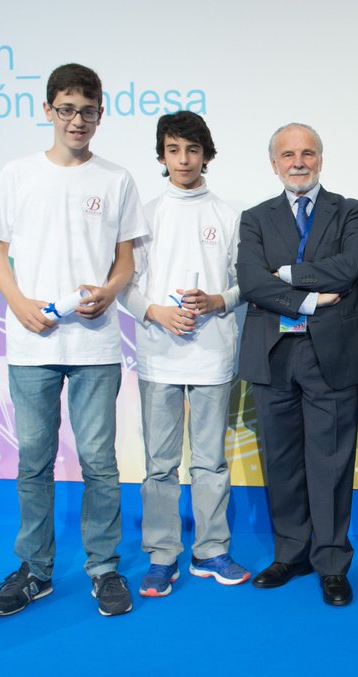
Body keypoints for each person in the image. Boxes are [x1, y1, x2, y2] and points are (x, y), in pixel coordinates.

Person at [0, 63, 148, 617]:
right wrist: (18, 302)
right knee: (34, 460)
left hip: (96, 345)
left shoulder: (117, 178)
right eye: (68, 109)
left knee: (100, 462)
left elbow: (126, 259)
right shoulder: (17, 173)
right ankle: (35, 569)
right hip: (32, 344)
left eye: (89, 110)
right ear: (49, 109)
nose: (78, 120)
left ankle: (104, 569)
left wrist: (111, 290)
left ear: (102, 114)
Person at [237, 123, 358, 607]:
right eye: (288, 154)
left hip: (333, 354)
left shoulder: (352, 211)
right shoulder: (254, 218)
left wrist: (289, 275)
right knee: (283, 460)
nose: (299, 162)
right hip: (273, 352)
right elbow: (251, 281)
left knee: (331, 463)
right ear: (274, 163)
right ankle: (290, 553)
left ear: (321, 159)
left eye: (308, 153)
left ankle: (332, 562)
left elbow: (350, 265)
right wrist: (311, 301)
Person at [120, 111, 251, 598]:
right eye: (173, 150)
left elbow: (245, 282)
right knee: (159, 463)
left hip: (213, 354)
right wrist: (156, 312)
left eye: (192, 150)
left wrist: (219, 301)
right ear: (161, 156)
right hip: (158, 356)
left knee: (211, 461)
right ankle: (161, 555)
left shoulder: (230, 214)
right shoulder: (145, 215)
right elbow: (125, 287)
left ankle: (211, 550)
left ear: (207, 156)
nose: (183, 159)